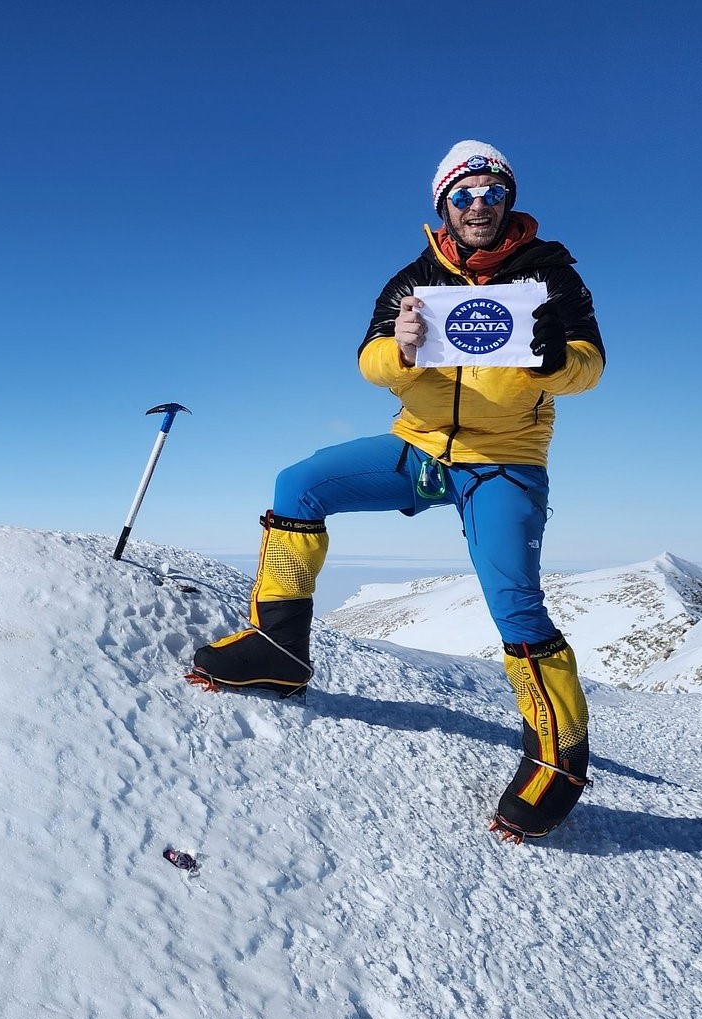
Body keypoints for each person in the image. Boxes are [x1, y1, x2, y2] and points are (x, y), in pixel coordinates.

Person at [186, 140, 605, 842]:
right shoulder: (415, 277)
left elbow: (590, 366)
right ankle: (277, 648)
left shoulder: (550, 275)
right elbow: (370, 359)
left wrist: (555, 358)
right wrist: (402, 347)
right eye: (464, 195)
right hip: (419, 446)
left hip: (503, 458)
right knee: (300, 485)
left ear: (509, 200)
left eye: (492, 194)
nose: (479, 207)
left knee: (515, 603)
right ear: (443, 203)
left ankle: (558, 759)